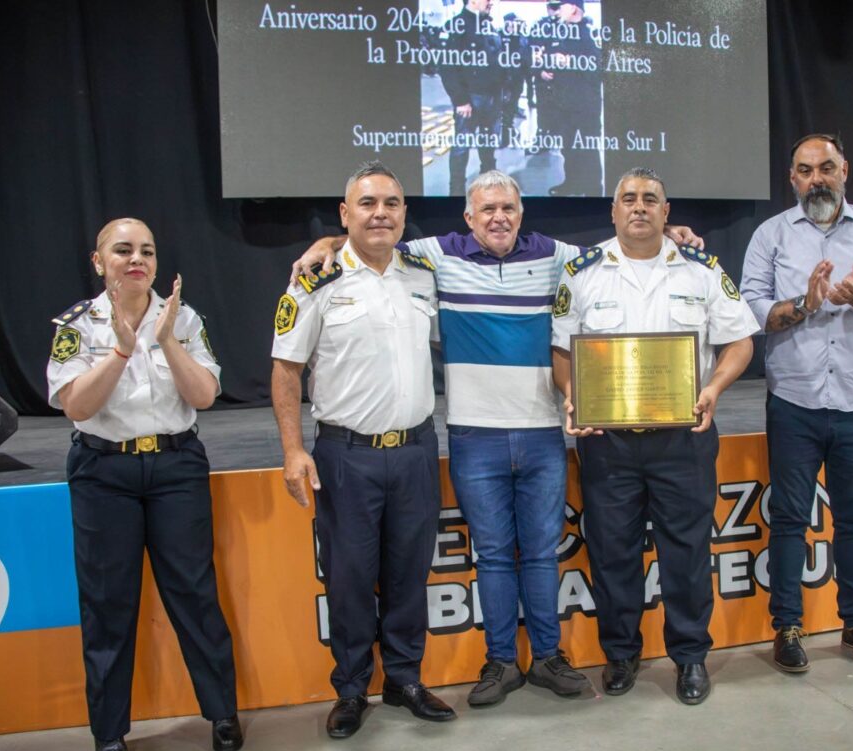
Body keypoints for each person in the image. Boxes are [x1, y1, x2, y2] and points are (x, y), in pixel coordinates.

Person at [293, 170, 705, 708]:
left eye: (508, 208)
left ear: (522, 212)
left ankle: (550, 657)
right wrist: (326, 242)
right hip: (473, 435)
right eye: (486, 209)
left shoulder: (557, 256)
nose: (498, 218)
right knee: (491, 555)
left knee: (539, 554)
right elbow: (372, 237)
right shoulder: (436, 255)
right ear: (468, 218)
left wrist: (671, 236)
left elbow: (621, 248)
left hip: (541, 434)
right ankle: (502, 662)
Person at [551, 168, 758, 705]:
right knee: (613, 552)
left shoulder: (703, 270)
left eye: (650, 200)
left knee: (686, 553)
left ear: (667, 213)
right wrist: (572, 394)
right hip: (608, 441)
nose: (638, 207)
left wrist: (713, 388)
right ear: (613, 211)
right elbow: (561, 352)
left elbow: (739, 342)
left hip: (683, 438)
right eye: (628, 199)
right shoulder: (582, 272)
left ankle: (690, 656)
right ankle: (621, 654)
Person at [46, 218, 241, 751]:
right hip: (104, 470)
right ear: (98, 260)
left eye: (147, 251)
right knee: (108, 604)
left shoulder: (184, 317)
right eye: (124, 250)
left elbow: (203, 395)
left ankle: (221, 712)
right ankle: (109, 732)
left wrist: (166, 341)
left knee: (195, 594)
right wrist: (120, 353)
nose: (137, 259)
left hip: (176, 466)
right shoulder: (78, 325)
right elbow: (78, 408)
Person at [271, 162, 454, 739]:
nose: (381, 213)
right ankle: (351, 689)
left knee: (408, 572)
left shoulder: (424, 274)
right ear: (344, 215)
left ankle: (404, 679)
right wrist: (292, 449)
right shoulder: (314, 280)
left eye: (392, 204)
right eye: (368, 203)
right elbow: (286, 369)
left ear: (405, 214)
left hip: (417, 450)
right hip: (346, 456)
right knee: (349, 578)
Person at [739, 133, 853, 674]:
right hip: (794, 400)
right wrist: (806, 303)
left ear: (845, 171)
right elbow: (751, 310)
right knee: (790, 519)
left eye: (826, 167)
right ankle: (787, 629)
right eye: (804, 170)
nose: (816, 178)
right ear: (791, 179)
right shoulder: (770, 235)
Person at [440, 0, 506, 196]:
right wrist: (460, 100)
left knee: (488, 144)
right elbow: (448, 67)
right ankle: (456, 190)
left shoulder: (487, 24)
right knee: (462, 146)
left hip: (492, 97)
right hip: (470, 99)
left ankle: (489, 182)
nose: (491, 2)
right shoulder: (457, 26)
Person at [539, 1, 603, 196]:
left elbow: (598, 71)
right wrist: (544, 70)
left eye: (563, 6)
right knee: (568, 148)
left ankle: (593, 191)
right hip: (564, 104)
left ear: (574, 9)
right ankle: (572, 183)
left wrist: (571, 61)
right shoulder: (562, 32)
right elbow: (548, 55)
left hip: (585, 107)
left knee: (587, 150)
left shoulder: (589, 35)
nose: (559, 10)